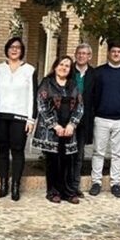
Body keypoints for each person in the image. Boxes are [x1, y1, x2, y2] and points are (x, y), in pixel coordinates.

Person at [89, 41, 120, 198]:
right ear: (108, 53)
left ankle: (115, 183)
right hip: (101, 118)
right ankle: (96, 182)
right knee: (98, 152)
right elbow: (93, 94)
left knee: (118, 153)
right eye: (113, 51)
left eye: (119, 51)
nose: (116, 54)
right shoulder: (98, 73)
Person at [32, 56, 84, 203]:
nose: (64, 68)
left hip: (68, 130)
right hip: (51, 130)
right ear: (55, 66)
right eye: (61, 64)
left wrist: (72, 125)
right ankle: (53, 192)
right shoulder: (46, 83)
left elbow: (80, 106)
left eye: (67, 66)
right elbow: (42, 105)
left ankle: (68, 192)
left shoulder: (73, 85)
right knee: (53, 161)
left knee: (68, 161)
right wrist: (55, 125)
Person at [0, 37, 36, 201]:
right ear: (6, 49)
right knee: (2, 150)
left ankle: (15, 186)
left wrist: (31, 119)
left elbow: (33, 95)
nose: (14, 49)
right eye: (11, 47)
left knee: (17, 151)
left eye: (18, 47)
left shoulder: (29, 70)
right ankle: (3, 183)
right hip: (0, 115)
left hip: (20, 116)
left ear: (22, 50)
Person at [69, 43, 96, 196]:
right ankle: (62, 184)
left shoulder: (94, 74)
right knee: (65, 154)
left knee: (79, 155)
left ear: (89, 56)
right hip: (67, 119)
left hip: (84, 120)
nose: (81, 56)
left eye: (85, 53)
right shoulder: (68, 70)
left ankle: (74, 186)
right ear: (75, 54)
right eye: (79, 53)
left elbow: (96, 97)